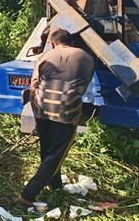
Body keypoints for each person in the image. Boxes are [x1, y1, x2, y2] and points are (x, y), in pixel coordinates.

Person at [19, 29, 95, 207]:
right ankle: (28, 195)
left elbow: (33, 87)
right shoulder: (86, 57)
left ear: (53, 43)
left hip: (43, 107)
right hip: (66, 111)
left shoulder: (45, 56)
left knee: (47, 150)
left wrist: (37, 118)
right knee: (56, 155)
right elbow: (84, 85)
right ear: (72, 42)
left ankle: (55, 186)